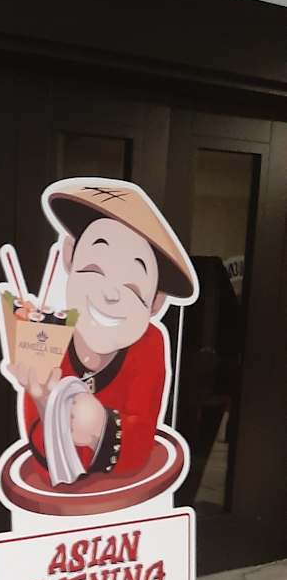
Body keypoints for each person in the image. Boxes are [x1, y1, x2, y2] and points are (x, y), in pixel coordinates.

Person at [10, 180, 198, 480]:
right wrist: (44, 401)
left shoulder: (149, 342)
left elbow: (140, 443)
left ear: (155, 302)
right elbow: (46, 461)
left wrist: (99, 426)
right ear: (70, 255)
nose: (110, 293)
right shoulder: (48, 335)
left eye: (132, 287)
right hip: (57, 500)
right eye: (95, 270)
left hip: (126, 497)